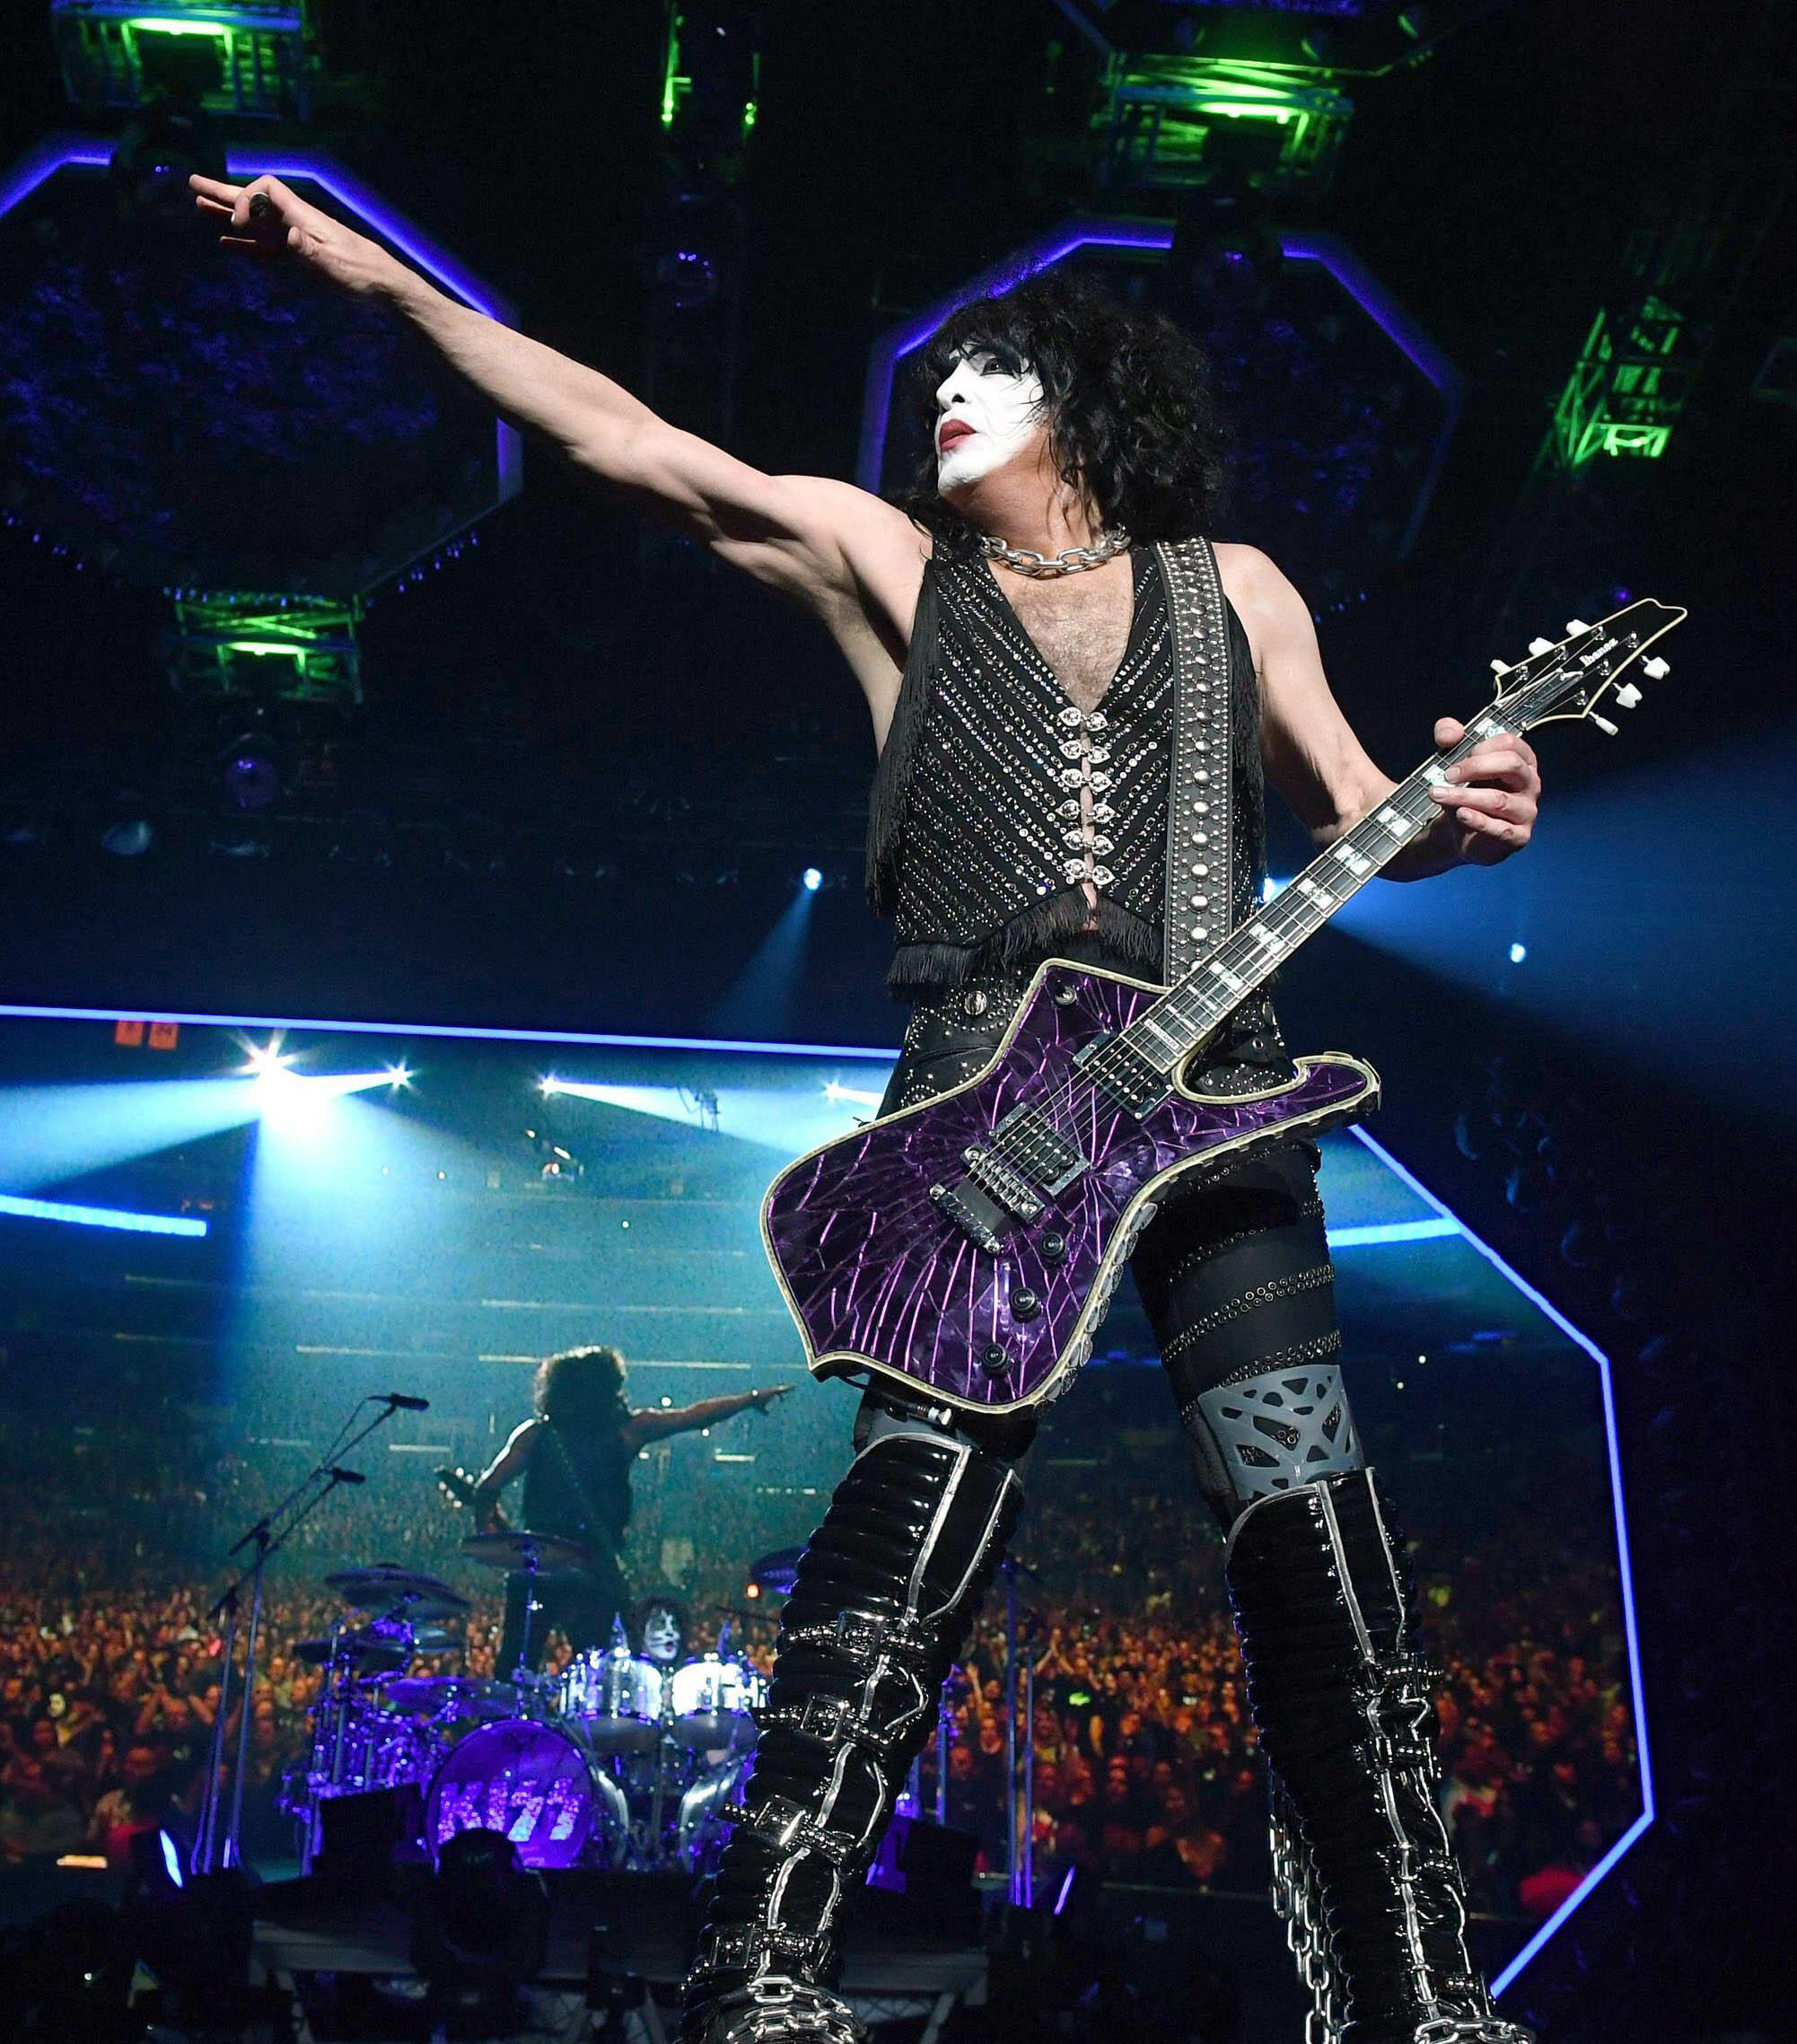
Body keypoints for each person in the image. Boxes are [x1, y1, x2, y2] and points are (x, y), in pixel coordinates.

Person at [199, 172, 1542, 2044]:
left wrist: (1468, 808)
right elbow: (624, 439)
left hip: (1224, 1119)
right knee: (907, 1537)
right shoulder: (884, 561)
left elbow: (1357, 806)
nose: (943, 390)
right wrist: (371, 275)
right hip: (979, 1127)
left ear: (1086, 402)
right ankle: (758, 1969)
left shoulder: (1237, 589)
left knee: (1310, 1531)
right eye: (940, 376)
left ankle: (1415, 1996)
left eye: (988, 369)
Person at [438, 1345, 791, 1679]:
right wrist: (749, 1399)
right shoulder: (629, 1431)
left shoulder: (535, 1436)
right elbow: (692, 1417)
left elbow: (487, 1490)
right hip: (593, 1566)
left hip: (537, 1566)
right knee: (600, 1671)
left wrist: (500, 1535)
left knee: (514, 1668)